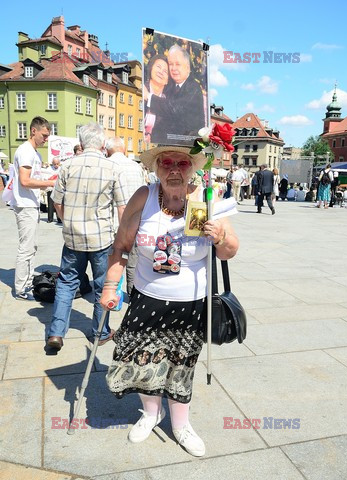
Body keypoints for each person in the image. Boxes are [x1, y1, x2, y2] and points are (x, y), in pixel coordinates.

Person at [100, 145, 239, 457]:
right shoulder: (143, 197)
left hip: (191, 301)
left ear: (191, 168)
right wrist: (111, 286)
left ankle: (181, 425)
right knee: (141, 361)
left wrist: (219, 236)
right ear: (156, 167)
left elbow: (230, 250)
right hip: (146, 298)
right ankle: (151, 414)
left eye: (182, 163)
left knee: (180, 365)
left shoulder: (208, 198)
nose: (174, 169)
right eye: (167, 162)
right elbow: (120, 246)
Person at [46, 123, 129, 351]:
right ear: (103, 144)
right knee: (104, 286)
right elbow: (122, 208)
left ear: (81, 144)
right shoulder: (112, 168)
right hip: (101, 238)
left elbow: (57, 201)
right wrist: (124, 237)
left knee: (66, 283)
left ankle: (56, 333)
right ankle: (99, 332)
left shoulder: (67, 166)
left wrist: (67, 222)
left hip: (73, 238)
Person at [11, 116, 56, 300]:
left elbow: (33, 178)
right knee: (26, 248)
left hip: (31, 204)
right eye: (44, 135)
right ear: (33, 131)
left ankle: (27, 282)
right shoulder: (26, 151)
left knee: (32, 246)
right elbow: (25, 180)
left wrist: (47, 181)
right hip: (25, 204)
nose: (46, 139)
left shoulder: (35, 153)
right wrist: (47, 183)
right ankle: (21, 288)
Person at [105, 136, 146, 296]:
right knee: (133, 261)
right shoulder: (135, 167)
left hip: (112, 221)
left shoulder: (107, 165)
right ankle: (132, 294)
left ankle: (111, 294)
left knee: (112, 261)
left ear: (108, 150)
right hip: (135, 220)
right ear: (123, 149)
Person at [144, 45, 205, 145]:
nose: (173, 68)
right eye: (171, 64)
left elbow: (175, 109)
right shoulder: (170, 88)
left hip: (188, 148)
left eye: (178, 64)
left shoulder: (193, 88)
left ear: (187, 67)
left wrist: (149, 97)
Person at [143, 55, 169, 143]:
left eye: (165, 71)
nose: (161, 72)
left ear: (167, 80)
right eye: (158, 67)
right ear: (151, 69)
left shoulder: (168, 102)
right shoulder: (140, 88)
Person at [47, 157, 61, 223]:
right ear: (52, 163)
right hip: (50, 187)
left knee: (58, 203)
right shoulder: (49, 169)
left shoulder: (61, 169)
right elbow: (46, 177)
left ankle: (59, 218)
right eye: (54, 164)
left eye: (57, 164)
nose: (56, 165)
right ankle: (50, 218)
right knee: (50, 203)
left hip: (58, 188)